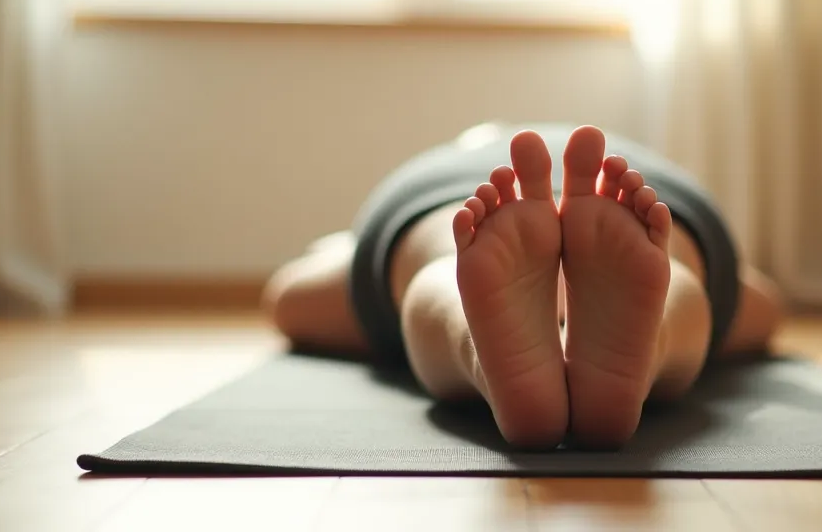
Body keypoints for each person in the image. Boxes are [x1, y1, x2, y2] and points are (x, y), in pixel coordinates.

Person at [262, 122, 784, 451]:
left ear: (475, 135)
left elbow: (285, 292)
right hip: (641, 191)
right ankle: (652, 347)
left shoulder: (467, 157)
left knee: (430, 268)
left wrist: (337, 248)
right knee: (714, 291)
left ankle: (478, 353)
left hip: (444, 198)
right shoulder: (627, 156)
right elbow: (761, 299)